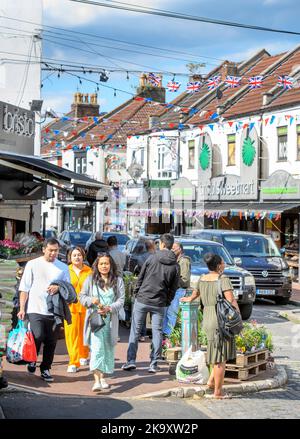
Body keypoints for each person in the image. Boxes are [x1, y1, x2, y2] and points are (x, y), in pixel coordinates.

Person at [182, 253, 240, 399]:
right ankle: (218, 393)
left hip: (208, 319)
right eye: (223, 262)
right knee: (220, 359)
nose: (224, 264)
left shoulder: (202, 278)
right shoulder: (223, 279)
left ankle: (210, 383)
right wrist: (238, 316)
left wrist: (188, 299)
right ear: (219, 265)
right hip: (220, 320)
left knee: (216, 353)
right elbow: (231, 300)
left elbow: (194, 295)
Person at [122, 233, 179, 373]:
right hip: (160, 302)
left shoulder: (152, 258)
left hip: (143, 298)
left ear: (162, 244)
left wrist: (136, 293)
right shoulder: (175, 265)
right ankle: (153, 363)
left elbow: (140, 277)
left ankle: (131, 361)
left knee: (135, 330)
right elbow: (174, 287)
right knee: (157, 332)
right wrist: (167, 300)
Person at [17, 238, 70, 382]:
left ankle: (45, 368)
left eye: (56, 250)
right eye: (51, 250)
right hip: (35, 308)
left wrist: (58, 287)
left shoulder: (63, 267)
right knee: (38, 335)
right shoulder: (33, 264)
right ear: (44, 249)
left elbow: (68, 288)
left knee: (51, 341)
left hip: (55, 311)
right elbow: (24, 288)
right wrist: (22, 308)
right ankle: (32, 358)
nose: (53, 253)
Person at [79, 253, 125, 392]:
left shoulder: (118, 281)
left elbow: (121, 300)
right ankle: (97, 381)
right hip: (95, 321)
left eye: (106, 263)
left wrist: (109, 308)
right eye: (101, 264)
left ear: (111, 265)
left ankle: (103, 377)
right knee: (97, 349)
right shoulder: (90, 280)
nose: (104, 266)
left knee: (108, 349)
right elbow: (81, 297)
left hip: (111, 321)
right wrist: (90, 301)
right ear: (97, 266)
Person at [65, 246, 92, 373]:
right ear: (70, 257)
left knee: (84, 334)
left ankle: (84, 354)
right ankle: (73, 362)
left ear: (83, 256)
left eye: (79, 255)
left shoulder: (89, 271)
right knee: (71, 335)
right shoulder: (65, 270)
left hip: (86, 307)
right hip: (70, 308)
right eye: (74, 255)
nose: (77, 257)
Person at [163, 241, 191, 336]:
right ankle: (164, 333)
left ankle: (168, 335)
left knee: (171, 313)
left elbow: (185, 279)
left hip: (179, 290)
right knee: (166, 313)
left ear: (180, 249)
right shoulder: (174, 259)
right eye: (172, 248)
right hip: (172, 290)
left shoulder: (184, 261)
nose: (173, 250)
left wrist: (172, 282)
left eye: (174, 248)